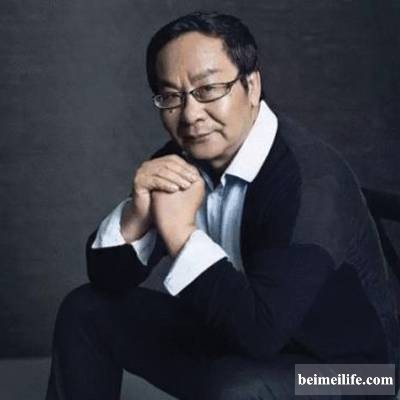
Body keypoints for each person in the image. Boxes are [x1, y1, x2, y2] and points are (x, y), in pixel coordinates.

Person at [46, 11, 399, 400]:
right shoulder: (187, 155)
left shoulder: (311, 183)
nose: (191, 115)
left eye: (209, 89)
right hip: (240, 335)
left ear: (252, 85)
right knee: (86, 310)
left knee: (236, 387)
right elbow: (107, 280)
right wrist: (136, 215)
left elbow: (261, 334)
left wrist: (181, 235)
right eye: (171, 96)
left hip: (356, 374)